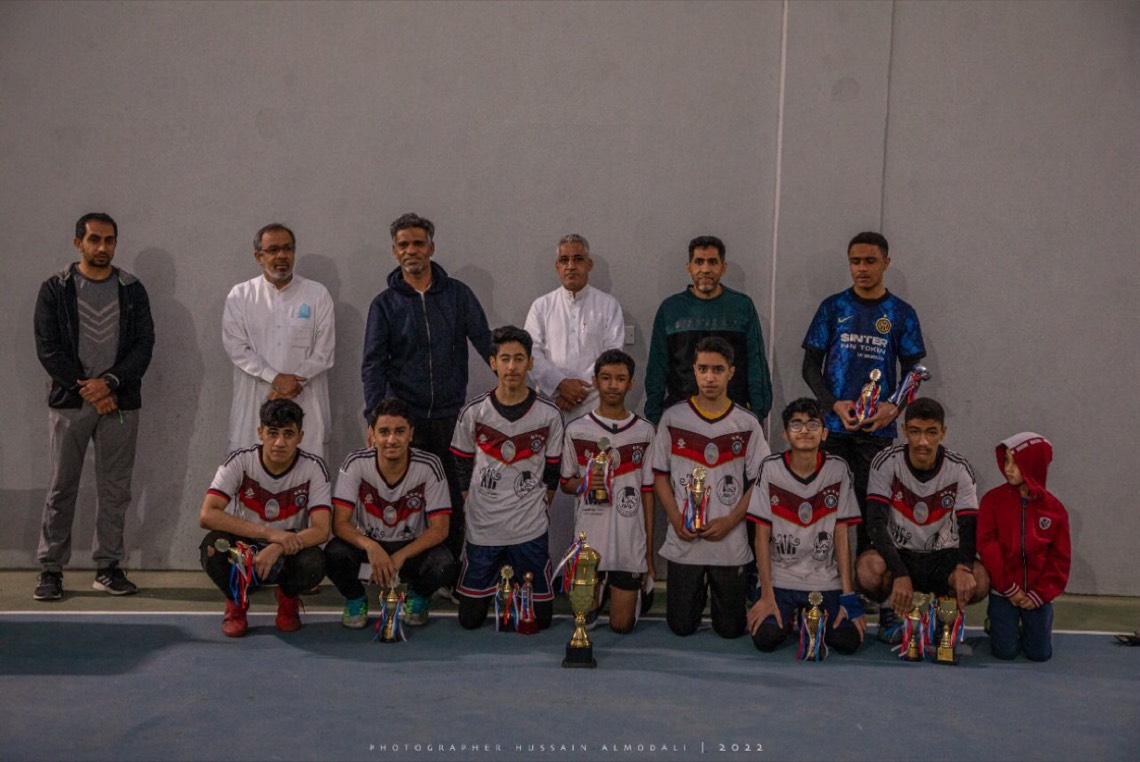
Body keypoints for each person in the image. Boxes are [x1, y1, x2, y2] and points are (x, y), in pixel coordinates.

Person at [33, 212, 155, 601]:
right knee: (61, 487)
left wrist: (111, 383)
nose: (102, 247)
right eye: (94, 239)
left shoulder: (132, 289)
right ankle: (51, 569)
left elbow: (144, 346)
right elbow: (48, 348)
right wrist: (88, 388)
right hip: (71, 404)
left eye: (109, 240)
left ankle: (108, 567)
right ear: (78, 243)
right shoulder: (56, 288)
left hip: (119, 403)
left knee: (115, 489)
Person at [363, 212, 493, 566]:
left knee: (451, 496)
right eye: (403, 245)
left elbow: (486, 342)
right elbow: (373, 365)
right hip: (405, 420)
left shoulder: (458, 295)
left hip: (450, 416)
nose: (411, 250)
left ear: (431, 248)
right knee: (404, 498)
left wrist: (514, 384)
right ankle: (403, 571)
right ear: (394, 251)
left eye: (418, 243)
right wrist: (374, 419)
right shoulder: (384, 304)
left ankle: (447, 571)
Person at [801, 231, 925, 554]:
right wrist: (832, 405)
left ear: (886, 262)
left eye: (870, 261)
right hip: (834, 427)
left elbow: (914, 371)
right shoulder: (833, 307)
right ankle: (827, 575)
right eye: (855, 261)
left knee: (873, 512)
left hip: (876, 430)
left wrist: (893, 408)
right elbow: (810, 366)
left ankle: (868, 573)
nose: (862, 268)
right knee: (827, 505)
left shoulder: (901, 313)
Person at [650, 336, 769, 638]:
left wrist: (731, 520)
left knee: (730, 630)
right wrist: (676, 518)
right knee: (680, 628)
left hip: (729, 541)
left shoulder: (746, 423)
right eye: (703, 369)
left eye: (717, 370)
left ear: (731, 372)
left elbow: (761, 481)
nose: (709, 377)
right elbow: (659, 474)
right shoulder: (673, 418)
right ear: (694, 370)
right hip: (684, 539)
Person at [448, 326, 564, 630]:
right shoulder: (474, 412)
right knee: (470, 621)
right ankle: (499, 586)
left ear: (530, 363)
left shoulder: (549, 415)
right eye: (505, 359)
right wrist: (474, 502)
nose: (512, 367)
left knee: (541, 621)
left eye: (519, 359)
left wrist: (536, 506)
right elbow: (461, 463)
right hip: (484, 528)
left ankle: (515, 586)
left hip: (529, 527)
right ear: (493, 363)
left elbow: (553, 471)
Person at [855, 398, 990, 642]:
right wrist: (899, 572)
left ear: (943, 433)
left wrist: (963, 567)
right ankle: (890, 610)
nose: (923, 442)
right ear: (904, 430)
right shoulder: (886, 462)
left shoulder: (959, 468)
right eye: (915, 431)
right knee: (868, 569)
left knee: (979, 580)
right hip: (901, 553)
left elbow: (969, 525)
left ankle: (944, 616)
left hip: (942, 556)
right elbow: (875, 523)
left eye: (931, 432)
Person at [198, 399, 330, 637]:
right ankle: (236, 601)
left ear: (300, 436)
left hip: (289, 549)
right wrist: (271, 534)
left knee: (315, 561)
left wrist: (278, 545)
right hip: (244, 548)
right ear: (260, 433)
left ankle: (288, 598)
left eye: (288, 434)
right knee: (213, 547)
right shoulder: (240, 461)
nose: (279, 442)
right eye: (272, 433)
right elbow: (207, 515)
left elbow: (321, 530)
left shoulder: (314, 467)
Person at [325, 398, 459, 629]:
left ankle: (418, 596)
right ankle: (355, 598)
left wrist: (401, 555)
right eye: (384, 432)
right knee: (333, 554)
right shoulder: (355, 463)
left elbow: (440, 529)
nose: (391, 440)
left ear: (411, 434)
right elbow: (340, 524)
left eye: (399, 431)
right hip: (370, 551)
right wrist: (371, 547)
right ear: (372, 434)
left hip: (410, 552)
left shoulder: (429, 465)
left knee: (444, 563)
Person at [746, 398, 865, 655]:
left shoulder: (838, 469)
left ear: (824, 433)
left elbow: (842, 535)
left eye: (813, 424)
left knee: (848, 641)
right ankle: (790, 614)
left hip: (824, 578)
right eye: (796, 424)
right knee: (766, 638)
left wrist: (848, 595)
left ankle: (806, 614)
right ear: (785, 433)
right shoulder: (770, 468)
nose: (805, 431)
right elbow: (761, 535)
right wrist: (766, 594)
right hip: (781, 576)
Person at [560, 349, 656, 633]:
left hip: (629, 541)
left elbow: (648, 492)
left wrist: (649, 555)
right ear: (595, 381)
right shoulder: (576, 429)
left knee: (621, 626)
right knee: (584, 621)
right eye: (606, 378)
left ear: (631, 383)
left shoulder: (645, 432)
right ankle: (598, 585)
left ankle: (628, 588)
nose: (613, 385)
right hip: (590, 539)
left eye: (620, 379)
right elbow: (566, 483)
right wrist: (586, 483)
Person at [223, 223, 334, 461]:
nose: (282, 255)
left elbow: (324, 352)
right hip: (255, 402)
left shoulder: (317, 294)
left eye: (288, 249)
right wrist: (274, 378)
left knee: (308, 474)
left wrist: (292, 382)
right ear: (258, 257)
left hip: (304, 399)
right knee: (250, 474)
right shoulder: (240, 296)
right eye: (273, 250)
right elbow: (236, 348)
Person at [644, 235, 771, 426]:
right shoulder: (670, 309)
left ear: (723, 267)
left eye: (712, 262)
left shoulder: (742, 307)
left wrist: (757, 414)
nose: (705, 269)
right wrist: (655, 416)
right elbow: (657, 366)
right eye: (699, 262)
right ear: (689, 267)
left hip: (733, 415)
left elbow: (756, 363)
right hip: (681, 416)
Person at [977, 432, 1070, 661]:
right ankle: (998, 625)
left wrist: (1041, 594)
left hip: (1037, 594)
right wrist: (1008, 587)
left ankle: (1029, 627)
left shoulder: (1055, 510)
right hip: (1004, 591)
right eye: (1006, 460)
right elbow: (987, 546)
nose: (1008, 468)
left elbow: (1060, 559)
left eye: (1015, 463)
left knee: (1039, 654)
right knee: (1004, 652)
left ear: (1033, 465)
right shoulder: (992, 500)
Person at [524, 233, 624, 422]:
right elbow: (531, 353)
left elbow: (612, 356)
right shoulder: (541, 306)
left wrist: (578, 391)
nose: (571, 266)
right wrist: (560, 384)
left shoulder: (608, 305)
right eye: (564, 260)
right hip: (551, 404)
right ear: (557, 266)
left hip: (595, 406)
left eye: (578, 259)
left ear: (589, 264)